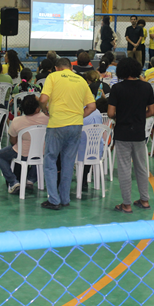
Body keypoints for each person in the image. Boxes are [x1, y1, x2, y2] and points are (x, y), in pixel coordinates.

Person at [39, 58, 96, 210]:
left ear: (56, 68)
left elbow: (43, 98)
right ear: (71, 67)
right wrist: (78, 116)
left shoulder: (53, 77)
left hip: (57, 124)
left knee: (50, 160)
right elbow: (92, 106)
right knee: (68, 163)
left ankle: (53, 200)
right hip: (76, 125)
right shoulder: (81, 80)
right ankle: (65, 198)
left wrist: (44, 109)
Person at [107, 57, 154, 213]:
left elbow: (110, 113)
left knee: (124, 168)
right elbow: (152, 111)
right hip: (139, 133)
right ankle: (145, 200)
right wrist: (140, 117)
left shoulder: (117, 88)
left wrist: (121, 117)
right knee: (141, 167)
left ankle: (126, 204)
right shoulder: (146, 87)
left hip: (122, 132)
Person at [0, 94, 49, 195]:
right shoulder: (47, 119)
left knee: (0, 156)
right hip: (41, 153)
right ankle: (31, 179)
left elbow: (13, 141)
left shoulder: (17, 121)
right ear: (37, 109)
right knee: (38, 154)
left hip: (22, 153)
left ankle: (13, 182)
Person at [77, 97, 106, 192]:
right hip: (96, 151)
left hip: (79, 152)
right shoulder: (97, 113)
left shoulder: (79, 112)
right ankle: (84, 177)